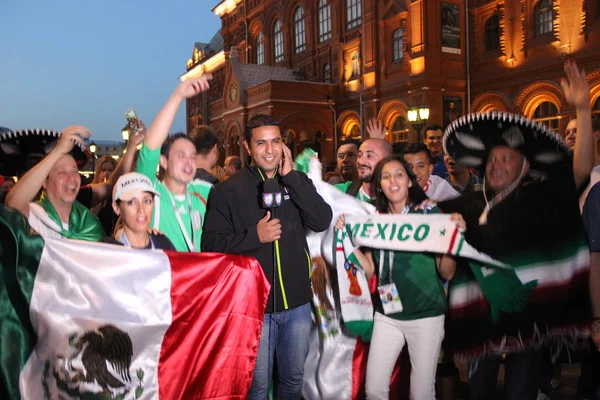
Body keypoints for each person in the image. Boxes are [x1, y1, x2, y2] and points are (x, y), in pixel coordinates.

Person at [438, 61, 594, 399]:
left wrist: (582, 109)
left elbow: (580, 169)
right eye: (491, 160)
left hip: (528, 321)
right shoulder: (470, 203)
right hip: (481, 320)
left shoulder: (541, 198)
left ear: (524, 167)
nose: (496, 166)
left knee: (521, 392)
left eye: (505, 159)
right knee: (479, 391)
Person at [201, 113, 333, 399]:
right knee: (257, 387)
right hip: (252, 308)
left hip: (297, 303)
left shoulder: (297, 182)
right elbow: (211, 245)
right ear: (247, 147)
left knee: (292, 381)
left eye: (276, 142)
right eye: (261, 143)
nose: (270, 150)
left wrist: (292, 179)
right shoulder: (226, 191)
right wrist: (253, 237)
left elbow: (322, 220)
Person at [336, 155, 465, 399]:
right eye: (385, 176)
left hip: (425, 316)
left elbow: (446, 271)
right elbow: (372, 270)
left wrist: (451, 243)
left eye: (398, 175)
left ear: (409, 182)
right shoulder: (376, 220)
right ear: (380, 185)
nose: (392, 180)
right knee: (374, 390)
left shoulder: (429, 214)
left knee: (421, 393)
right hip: (388, 315)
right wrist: (347, 241)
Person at [135, 75, 213, 252]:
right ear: (163, 161)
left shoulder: (205, 191)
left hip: (199, 277)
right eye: (181, 155)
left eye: (193, 156)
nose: (189, 161)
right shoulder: (150, 193)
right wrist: (178, 95)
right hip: (165, 277)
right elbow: (150, 147)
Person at [5, 126, 105, 241]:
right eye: (61, 172)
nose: (71, 178)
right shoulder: (35, 217)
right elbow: (13, 204)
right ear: (44, 182)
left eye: (74, 171)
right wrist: (58, 151)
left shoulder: (90, 224)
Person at [101, 172, 175, 250]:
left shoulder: (163, 244)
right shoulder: (105, 252)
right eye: (132, 202)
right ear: (116, 208)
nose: (141, 209)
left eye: (147, 201)